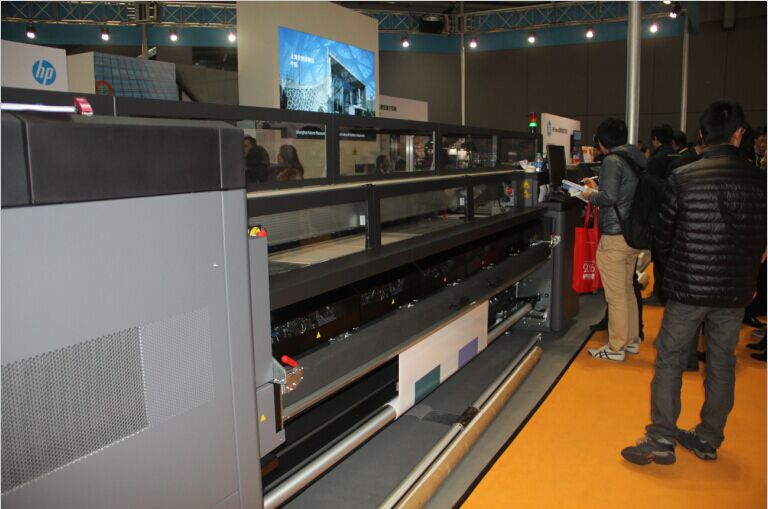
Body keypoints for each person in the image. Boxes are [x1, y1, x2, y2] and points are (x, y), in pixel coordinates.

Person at [621, 100, 767, 466]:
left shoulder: (684, 177)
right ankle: (708, 438)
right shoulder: (760, 181)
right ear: (739, 134)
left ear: (702, 134)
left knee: (670, 359)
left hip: (688, 286)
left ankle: (661, 438)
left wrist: (673, 274)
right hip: (735, 291)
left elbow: (664, 235)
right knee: (722, 363)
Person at [581, 118, 646, 361]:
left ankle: (616, 347)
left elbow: (608, 198)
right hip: (631, 234)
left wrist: (588, 194)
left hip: (615, 235)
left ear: (601, 140)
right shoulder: (634, 157)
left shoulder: (611, 160)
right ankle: (631, 340)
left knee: (615, 296)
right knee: (627, 290)